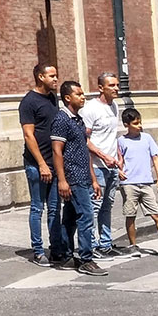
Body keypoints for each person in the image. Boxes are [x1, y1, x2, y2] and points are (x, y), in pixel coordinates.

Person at [50, 81, 106, 276]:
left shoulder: (79, 120)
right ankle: (86, 258)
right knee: (86, 216)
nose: (83, 97)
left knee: (71, 217)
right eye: (79, 94)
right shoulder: (61, 119)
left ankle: (66, 255)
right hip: (72, 176)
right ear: (67, 98)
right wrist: (62, 180)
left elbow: (84, 151)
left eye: (83, 94)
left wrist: (93, 179)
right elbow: (57, 151)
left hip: (83, 175)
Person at [118, 109, 158, 257]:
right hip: (129, 183)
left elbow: (155, 158)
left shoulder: (147, 138)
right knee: (130, 215)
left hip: (146, 182)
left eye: (140, 122)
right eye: (135, 123)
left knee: (157, 214)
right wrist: (118, 171)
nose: (139, 125)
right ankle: (133, 245)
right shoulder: (122, 141)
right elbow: (119, 160)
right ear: (126, 124)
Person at [19, 62, 66, 267]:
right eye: (52, 76)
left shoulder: (52, 98)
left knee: (55, 208)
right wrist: (41, 164)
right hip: (37, 165)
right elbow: (29, 135)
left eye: (56, 76)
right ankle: (38, 251)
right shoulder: (29, 102)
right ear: (40, 77)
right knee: (37, 207)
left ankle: (56, 250)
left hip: (54, 163)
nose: (56, 79)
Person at [78, 72, 124, 255]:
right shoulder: (90, 109)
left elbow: (112, 136)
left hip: (112, 167)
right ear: (100, 88)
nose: (116, 89)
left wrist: (118, 157)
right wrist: (103, 156)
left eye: (117, 85)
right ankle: (92, 246)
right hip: (96, 167)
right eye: (111, 85)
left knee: (107, 206)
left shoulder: (115, 107)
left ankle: (105, 244)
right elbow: (84, 139)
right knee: (94, 208)